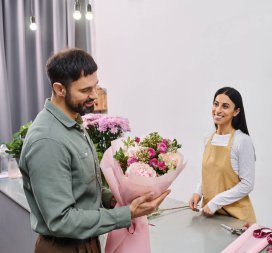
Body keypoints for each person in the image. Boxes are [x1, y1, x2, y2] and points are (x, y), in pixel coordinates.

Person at [19, 48, 170, 253]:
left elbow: (80, 187)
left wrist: (115, 198)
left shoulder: (73, 121)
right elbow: (61, 220)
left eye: (95, 86)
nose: (94, 96)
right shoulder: (47, 141)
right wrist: (127, 213)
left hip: (87, 242)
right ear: (59, 89)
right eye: (85, 90)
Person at [188, 87, 256, 223]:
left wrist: (215, 203)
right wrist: (198, 192)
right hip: (212, 215)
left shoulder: (242, 141)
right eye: (215, 104)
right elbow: (210, 174)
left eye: (225, 106)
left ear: (236, 111)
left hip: (236, 219)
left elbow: (247, 184)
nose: (218, 110)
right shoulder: (208, 138)